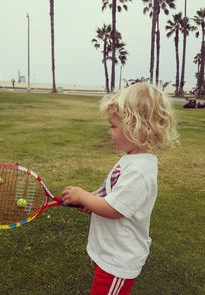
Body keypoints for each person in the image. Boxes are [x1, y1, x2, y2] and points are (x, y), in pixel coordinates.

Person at [62, 82, 179, 295]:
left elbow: (115, 210)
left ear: (137, 127)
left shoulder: (140, 170)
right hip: (109, 253)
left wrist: (83, 196)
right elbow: (112, 193)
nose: (109, 132)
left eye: (113, 126)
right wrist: (92, 201)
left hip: (118, 260)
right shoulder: (131, 158)